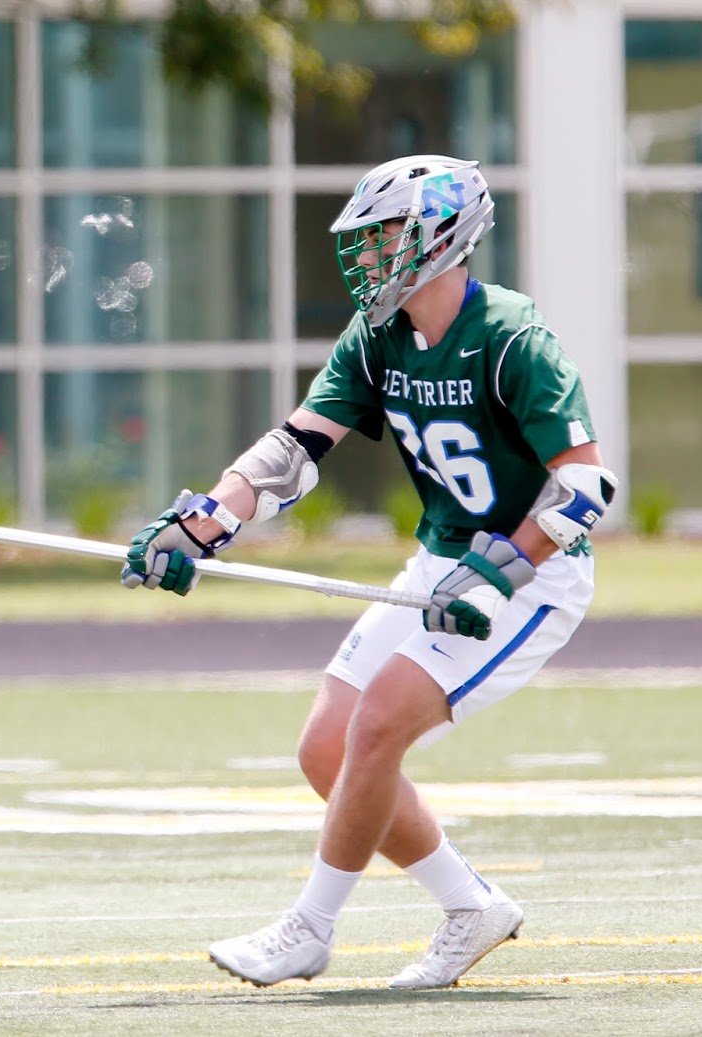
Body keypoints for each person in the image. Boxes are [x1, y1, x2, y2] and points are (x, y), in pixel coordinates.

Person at [121, 154, 617, 989]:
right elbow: (293, 449)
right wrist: (204, 521)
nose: (369, 253)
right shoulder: (377, 336)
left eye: (386, 234)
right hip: (440, 561)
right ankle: (471, 904)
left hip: (531, 575)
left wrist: (500, 568)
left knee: (379, 722)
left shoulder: (513, 337)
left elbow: (585, 486)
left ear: (443, 235)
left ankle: (310, 928)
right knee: (326, 747)